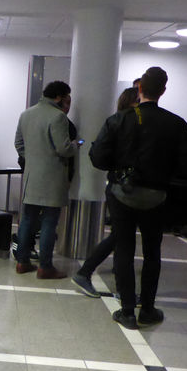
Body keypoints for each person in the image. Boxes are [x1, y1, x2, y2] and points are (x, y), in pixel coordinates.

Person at [90, 67, 187, 329]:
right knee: (152, 253)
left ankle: (126, 311)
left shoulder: (119, 119)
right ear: (163, 90)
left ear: (140, 89)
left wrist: (119, 168)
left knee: (123, 250)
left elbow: (98, 157)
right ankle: (147, 308)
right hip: (157, 196)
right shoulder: (176, 123)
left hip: (122, 194)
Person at [72, 86, 140, 298]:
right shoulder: (131, 124)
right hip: (128, 188)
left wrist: (115, 168)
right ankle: (90, 275)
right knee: (122, 238)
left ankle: (113, 285)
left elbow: (99, 154)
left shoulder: (115, 121)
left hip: (117, 185)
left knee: (122, 237)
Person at [14, 81, 80, 279]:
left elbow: (18, 144)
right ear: (59, 97)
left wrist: (33, 158)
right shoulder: (58, 117)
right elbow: (64, 148)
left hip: (31, 177)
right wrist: (77, 144)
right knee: (49, 223)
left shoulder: (26, 114)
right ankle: (45, 267)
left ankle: (22, 262)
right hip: (52, 178)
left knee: (27, 220)